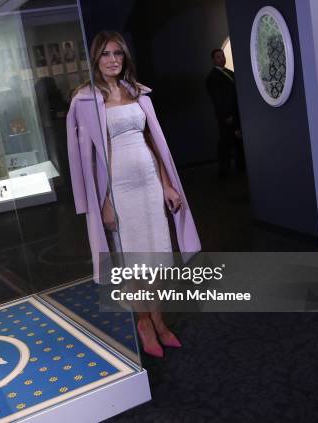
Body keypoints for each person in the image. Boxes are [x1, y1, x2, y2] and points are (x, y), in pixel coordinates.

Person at [66, 31, 201, 358]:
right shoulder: (84, 100)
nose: (113, 60)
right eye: (106, 55)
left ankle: (158, 318)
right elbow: (90, 157)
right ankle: (144, 322)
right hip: (120, 192)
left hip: (150, 184)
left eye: (118, 54)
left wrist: (167, 183)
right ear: (95, 59)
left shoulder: (137, 92)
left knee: (155, 261)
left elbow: (154, 143)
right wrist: (105, 202)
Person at [206, 48, 245, 177]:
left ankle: (241, 167)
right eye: (218, 57)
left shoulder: (230, 72)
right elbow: (217, 99)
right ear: (213, 60)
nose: (222, 58)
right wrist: (226, 116)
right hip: (226, 116)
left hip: (236, 113)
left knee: (239, 141)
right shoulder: (212, 77)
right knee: (225, 142)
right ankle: (223, 170)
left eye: (223, 56)